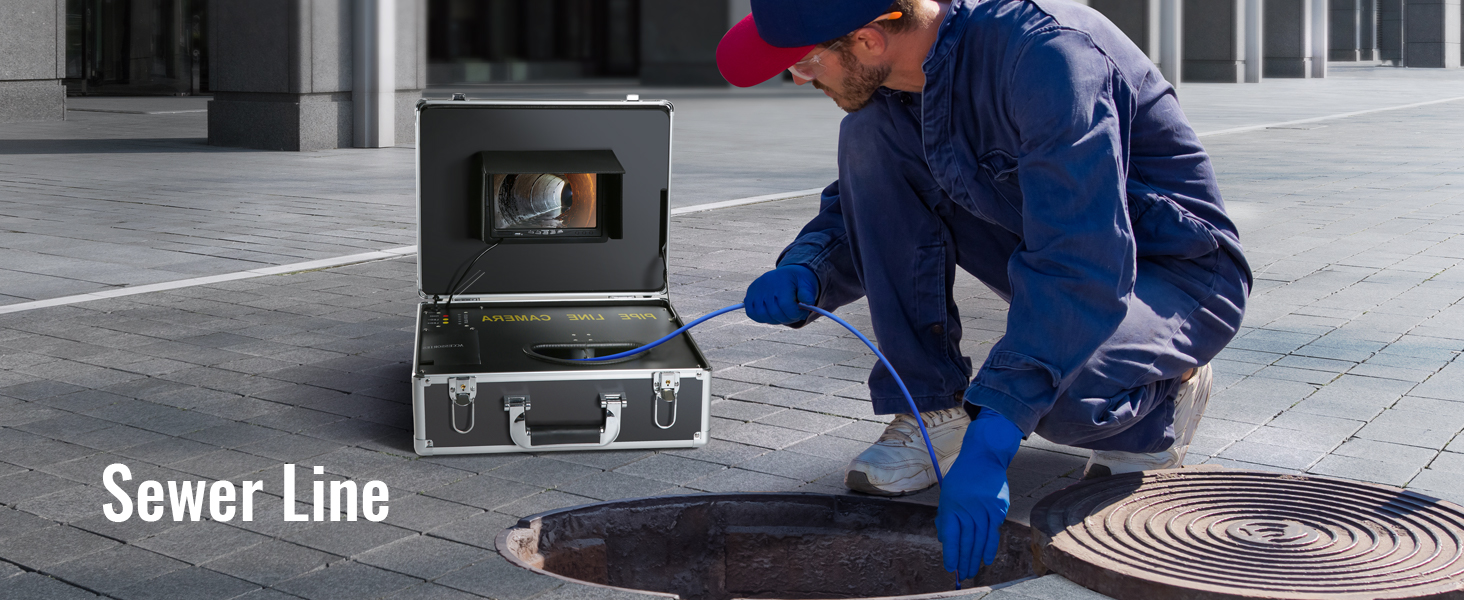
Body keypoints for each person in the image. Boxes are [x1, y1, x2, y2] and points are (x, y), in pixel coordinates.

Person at [716, 0, 1252, 580]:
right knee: (870, 134)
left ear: (870, 40)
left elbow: (1081, 258)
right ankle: (932, 413)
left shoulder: (1049, 57)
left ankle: (1164, 393)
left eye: (805, 62)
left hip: (1176, 273)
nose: (799, 78)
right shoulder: (909, 74)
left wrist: (995, 437)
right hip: (1048, 243)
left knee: (1058, 401)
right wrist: (810, 270)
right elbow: (878, 199)